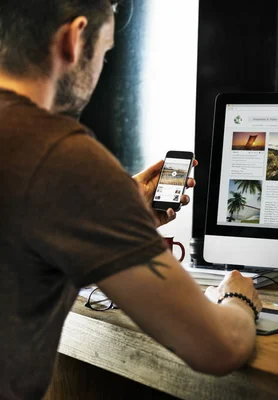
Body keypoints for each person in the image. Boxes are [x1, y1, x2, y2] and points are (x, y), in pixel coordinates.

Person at [0, 1, 262, 398]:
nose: (102, 68)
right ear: (74, 38)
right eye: (105, 52)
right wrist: (238, 298)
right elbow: (219, 348)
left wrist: (113, 215)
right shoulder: (61, 156)